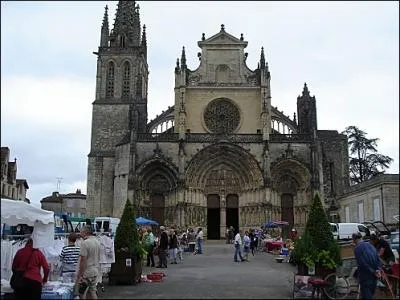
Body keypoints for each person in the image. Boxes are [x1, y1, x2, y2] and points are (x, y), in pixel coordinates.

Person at [352, 232, 381, 300]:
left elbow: (362, 263)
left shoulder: (357, 248)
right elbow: (378, 258)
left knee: (367, 295)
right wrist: (378, 270)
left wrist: (373, 271)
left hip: (366, 276)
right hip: (375, 276)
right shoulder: (370, 245)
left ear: (354, 239)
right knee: (370, 294)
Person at [76, 226, 101, 300]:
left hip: (87, 271)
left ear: (85, 232)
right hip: (95, 269)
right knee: (93, 291)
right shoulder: (97, 241)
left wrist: (80, 275)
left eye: (81, 232)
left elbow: (83, 260)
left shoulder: (85, 243)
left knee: (82, 292)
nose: (80, 234)